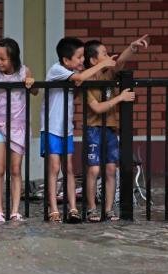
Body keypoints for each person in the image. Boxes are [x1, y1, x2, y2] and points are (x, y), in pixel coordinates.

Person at [40, 37, 117, 223]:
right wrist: (104, 63)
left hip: (65, 128)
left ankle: (73, 207)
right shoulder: (57, 70)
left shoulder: (71, 71)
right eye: (79, 57)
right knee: (54, 168)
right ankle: (53, 208)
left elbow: (82, 79)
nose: (82, 60)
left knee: (69, 168)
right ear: (66, 60)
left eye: (83, 56)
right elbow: (82, 77)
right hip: (51, 127)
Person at [83, 34, 149, 222]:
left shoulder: (110, 73)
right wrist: (120, 98)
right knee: (94, 170)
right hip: (93, 129)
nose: (108, 55)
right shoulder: (87, 80)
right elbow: (96, 107)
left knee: (111, 169)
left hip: (111, 129)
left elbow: (120, 61)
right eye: (104, 53)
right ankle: (91, 209)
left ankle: (109, 209)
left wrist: (132, 47)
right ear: (93, 60)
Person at [0, 38, 38, 223]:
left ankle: (15, 210)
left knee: (15, 169)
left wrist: (31, 82)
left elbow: (35, 92)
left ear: (13, 58)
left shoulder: (24, 70)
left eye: (2, 59)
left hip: (18, 126)